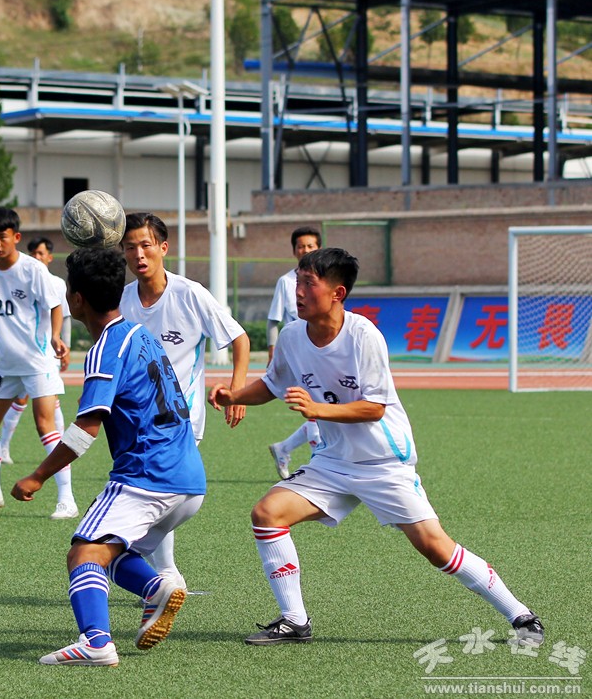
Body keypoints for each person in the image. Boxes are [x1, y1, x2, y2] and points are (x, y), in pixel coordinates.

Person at [209, 247, 544, 647]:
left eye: (308, 283)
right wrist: (235, 396)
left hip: (383, 462)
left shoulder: (363, 335)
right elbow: (272, 384)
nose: (297, 291)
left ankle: (520, 615)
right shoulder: (293, 337)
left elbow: (373, 407)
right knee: (267, 514)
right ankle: (295, 620)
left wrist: (316, 409)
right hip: (332, 462)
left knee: (436, 548)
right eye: (297, 281)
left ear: (338, 293)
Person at [12, 247, 206, 666]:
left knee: (83, 553)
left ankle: (96, 642)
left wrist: (38, 476)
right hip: (189, 478)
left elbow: (85, 430)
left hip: (147, 475)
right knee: (110, 552)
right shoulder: (141, 334)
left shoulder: (105, 348)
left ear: (77, 299)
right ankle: (156, 589)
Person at [119, 212, 249, 591]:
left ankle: (147, 562)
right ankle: (162, 571)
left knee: (168, 492)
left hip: (181, 417)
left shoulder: (190, 294)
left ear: (163, 248)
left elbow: (239, 339)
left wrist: (236, 391)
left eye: (146, 245)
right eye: (130, 247)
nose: (138, 254)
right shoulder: (123, 300)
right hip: (136, 417)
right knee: (157, 492)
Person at [0, 207, 78, 519]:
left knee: (45, 426)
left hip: (38, 361)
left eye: (2, 237)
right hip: (5, 365)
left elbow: (55, 305)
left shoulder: (33, 270)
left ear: (16, 237)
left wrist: (55, 337)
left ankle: (67, 498)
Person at [0, 237, 70, 465]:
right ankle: (3, 448)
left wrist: (65, 345)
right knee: (20, 399)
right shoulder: (20, 279)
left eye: (41, 253)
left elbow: (65, 316)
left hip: (48, 353)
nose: (37, 257)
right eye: (33, 254)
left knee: (52, 401)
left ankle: (60, 454)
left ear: (49, 257)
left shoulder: (58, 284)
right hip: (24, 352)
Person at [266, 226, 323, 480]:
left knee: (321, 409)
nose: (305, 250)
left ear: (319, 248)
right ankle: (318, 465)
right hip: (299, 356)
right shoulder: (286, 282)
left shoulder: (327, 280)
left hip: (323, 354)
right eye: (301, 246)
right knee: (314, 410)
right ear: (294, 251)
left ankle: (284, 448)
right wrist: (272, 353)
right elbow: (273, 320)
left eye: (310, 246)